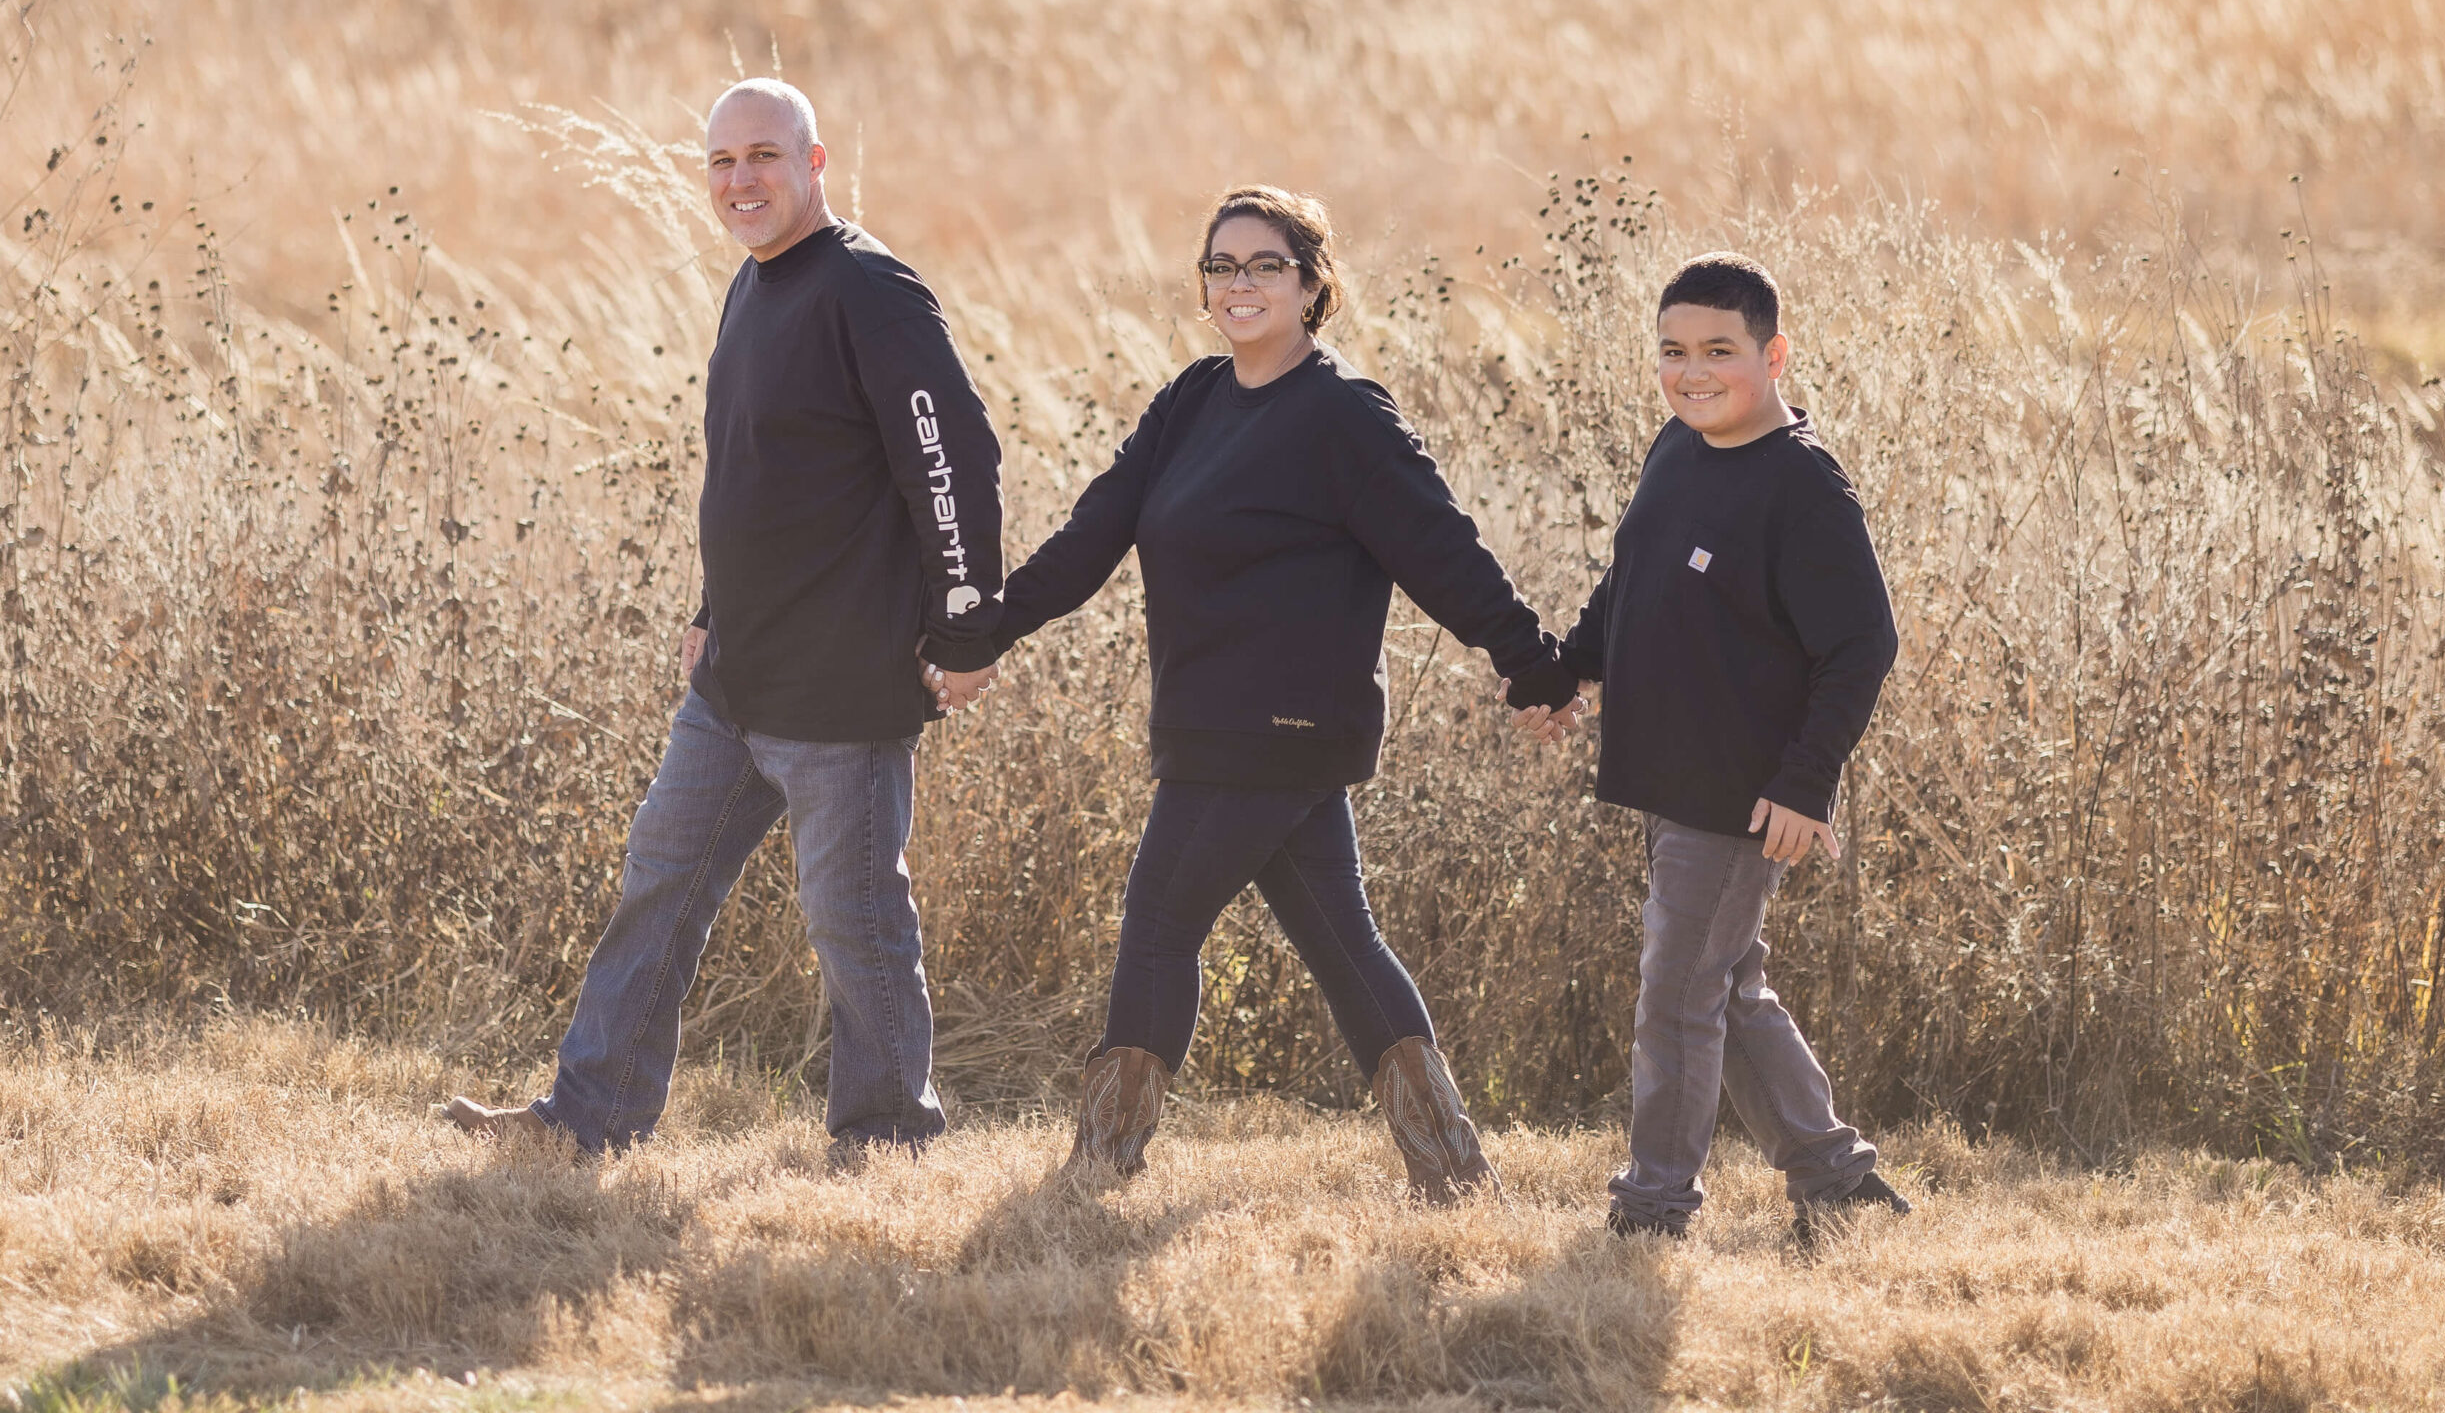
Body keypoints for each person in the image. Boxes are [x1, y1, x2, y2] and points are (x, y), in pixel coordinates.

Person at [441, 78, 1005, 1161]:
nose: (741, 180)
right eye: (721, 162)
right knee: (657, 885)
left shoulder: (869, 289)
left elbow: (952, 457)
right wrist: (710, 610)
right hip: (736, 683)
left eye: (763, 156)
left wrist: (968, 623)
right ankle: (588, 1115)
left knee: (855, 925)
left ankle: (887, 1134)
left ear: (815, 161)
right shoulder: (756, 284)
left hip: (840, 687)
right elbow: (757, 475)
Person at [987, 185, 1583, 1200]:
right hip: (1211, 715)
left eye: (1266, 263)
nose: (1240, 283)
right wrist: (981, 625)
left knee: (1159, 917)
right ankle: (1453, 1170)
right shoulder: (1191, 401)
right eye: (1222, 265)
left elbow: (1439, 545)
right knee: (1338, 936)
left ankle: (1098, 1167)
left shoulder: (1342, 413)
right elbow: (1094, 534)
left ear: (1313, 284)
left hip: (1280, 720)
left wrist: (1530, 658)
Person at [1535, 251, 1908, 1247]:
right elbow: (1631, 579)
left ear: (1773, 353)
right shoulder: (1678, 445)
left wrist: (1805, 783)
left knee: (1677, 993)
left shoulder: (1803, 486)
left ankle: (1653, 1206)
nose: (1691, 370)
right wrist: (1571, 669)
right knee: (1722, 983)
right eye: (1672, 350)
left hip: (1739, 794)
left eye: (1717, 350)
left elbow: (1861, 643)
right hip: (1669, 773)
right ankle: (1833, 1175)